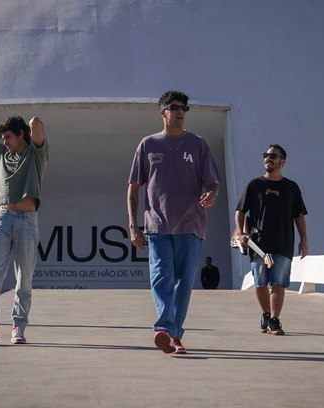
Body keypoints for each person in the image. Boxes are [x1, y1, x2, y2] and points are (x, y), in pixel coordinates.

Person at [127, 90, 221, 354]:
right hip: (157, 225)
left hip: (191, 225)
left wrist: (212, 195)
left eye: (185, 108)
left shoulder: (198, 144)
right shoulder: (148, 145)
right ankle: (165, 329)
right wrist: (133, 226)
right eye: (175, 107)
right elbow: (134, 188)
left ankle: (173, 333)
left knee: (183, 281)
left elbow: (213, 182)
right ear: (163, 112)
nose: (181, 112)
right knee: (161, 277)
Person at [0, 116, 48, 344]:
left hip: (27, 218)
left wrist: (20, 128)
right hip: (3, 216)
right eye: (3, 138)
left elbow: (36, 123)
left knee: (23, 275)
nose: (4, 142)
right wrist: (4, 130)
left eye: (9, 137)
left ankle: (19, 325)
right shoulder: (4, 153)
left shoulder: (36, 154)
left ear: (22, 135)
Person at [235, 144, 308, 335]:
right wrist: (241, 233)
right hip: (258, 243)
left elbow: (299, 215)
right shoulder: (254, 185)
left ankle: (274, 320)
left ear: (282, 161)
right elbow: (240, 211)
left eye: (273, 156)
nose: (268, 158)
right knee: (260, 283)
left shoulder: (291, 187)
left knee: (278, 282)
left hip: (283, 242)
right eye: (266, 155)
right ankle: (266, 314)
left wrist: (304, 240)